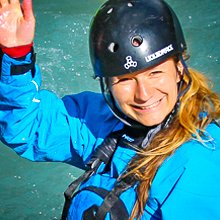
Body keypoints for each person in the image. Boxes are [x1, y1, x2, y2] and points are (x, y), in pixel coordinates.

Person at [0, 0, 219, 219]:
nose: (143, 95)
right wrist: (16, 54)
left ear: (179, 69)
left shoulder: (200, 161)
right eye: (125, 80)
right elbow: (26, 125)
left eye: (155, 73)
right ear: (107, 84)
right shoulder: (111, 122)